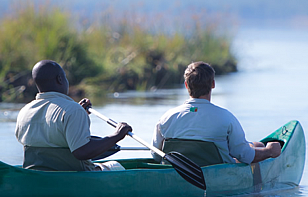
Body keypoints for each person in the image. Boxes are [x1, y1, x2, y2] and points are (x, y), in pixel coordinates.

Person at [152, 61, 282, 165]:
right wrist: (269, 151)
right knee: (257, 146)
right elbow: (245, 156)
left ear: (186, 85)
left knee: (255, 145)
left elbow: (156, 156)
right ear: (213, 84)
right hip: (213, 174)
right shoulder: (226, 118)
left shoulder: (166, 118)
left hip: (176, 171)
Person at [15, 60, 132, 171]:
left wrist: (79, 113)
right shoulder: (72, 110)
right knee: (116, 165)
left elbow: (50, 135)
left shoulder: (25, 111)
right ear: (60, 79)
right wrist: (117, 135)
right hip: (74, 177)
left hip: (37, 175)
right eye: (65, 77)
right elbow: (82, 152)